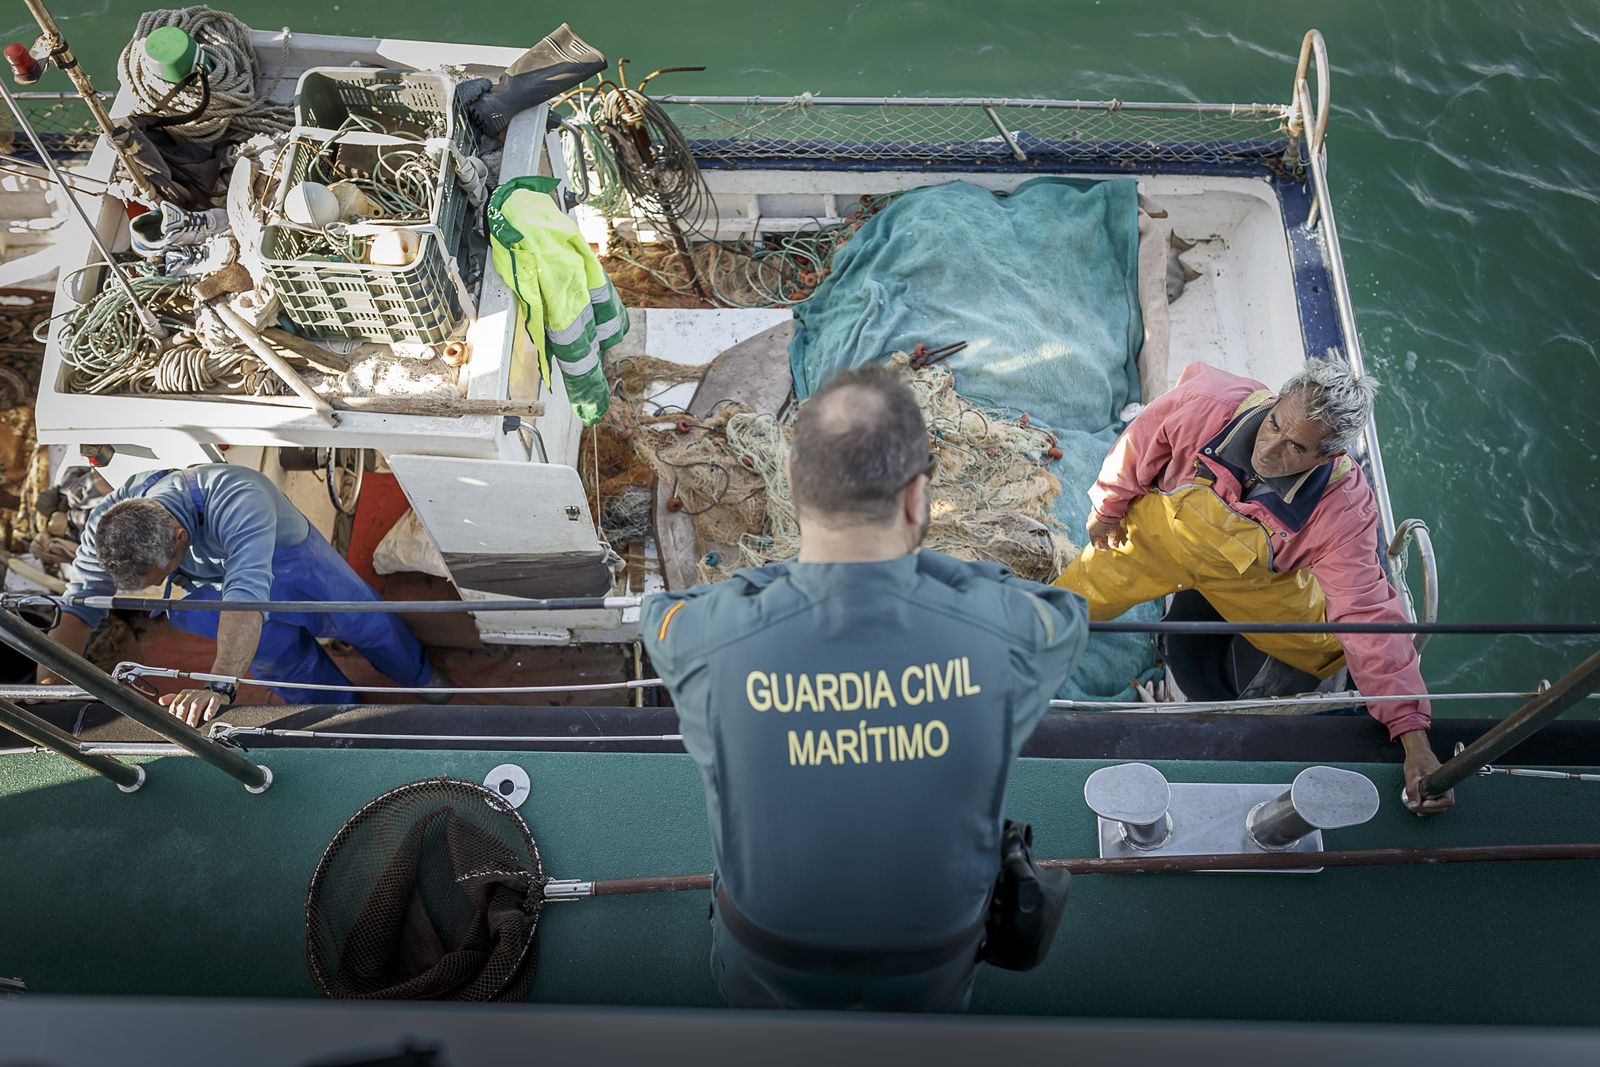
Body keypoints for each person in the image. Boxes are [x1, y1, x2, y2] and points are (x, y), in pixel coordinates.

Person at [641, 366, 1088, 1011]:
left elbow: (664, 615)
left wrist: (795, 582)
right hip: (931, 956)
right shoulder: (1005, 632)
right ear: (917, 498)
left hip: (767, 956)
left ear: (792, 483)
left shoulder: (709, 636)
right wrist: (916, 570)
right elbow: (1063, 616)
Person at [1055, 358, 1454, 815]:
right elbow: (1139, 442)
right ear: (1275, 402)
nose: (1270, 449)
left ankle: (1275, 708)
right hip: (1158, 539)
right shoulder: (1206, 402)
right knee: (1073, 597)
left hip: (1254, 584)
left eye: (1296, 447)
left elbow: (1366, 616)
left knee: (1322, 648)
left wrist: (1413, 736)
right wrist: (1109, 507)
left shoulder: (1344, 510)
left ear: (1328, 457)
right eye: (1274, 424)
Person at [41, 463, 447, 724]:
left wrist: (217, 685)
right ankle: (347, 718)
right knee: (284, 664)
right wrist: (47, 681)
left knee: (364, 622)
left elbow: (244, 600)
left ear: (181, 536)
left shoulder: (236, 495)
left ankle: (422, 677)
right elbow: (79, 605)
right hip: (215, 593)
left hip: (293, 569)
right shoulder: (106, 527)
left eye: (160, 574)